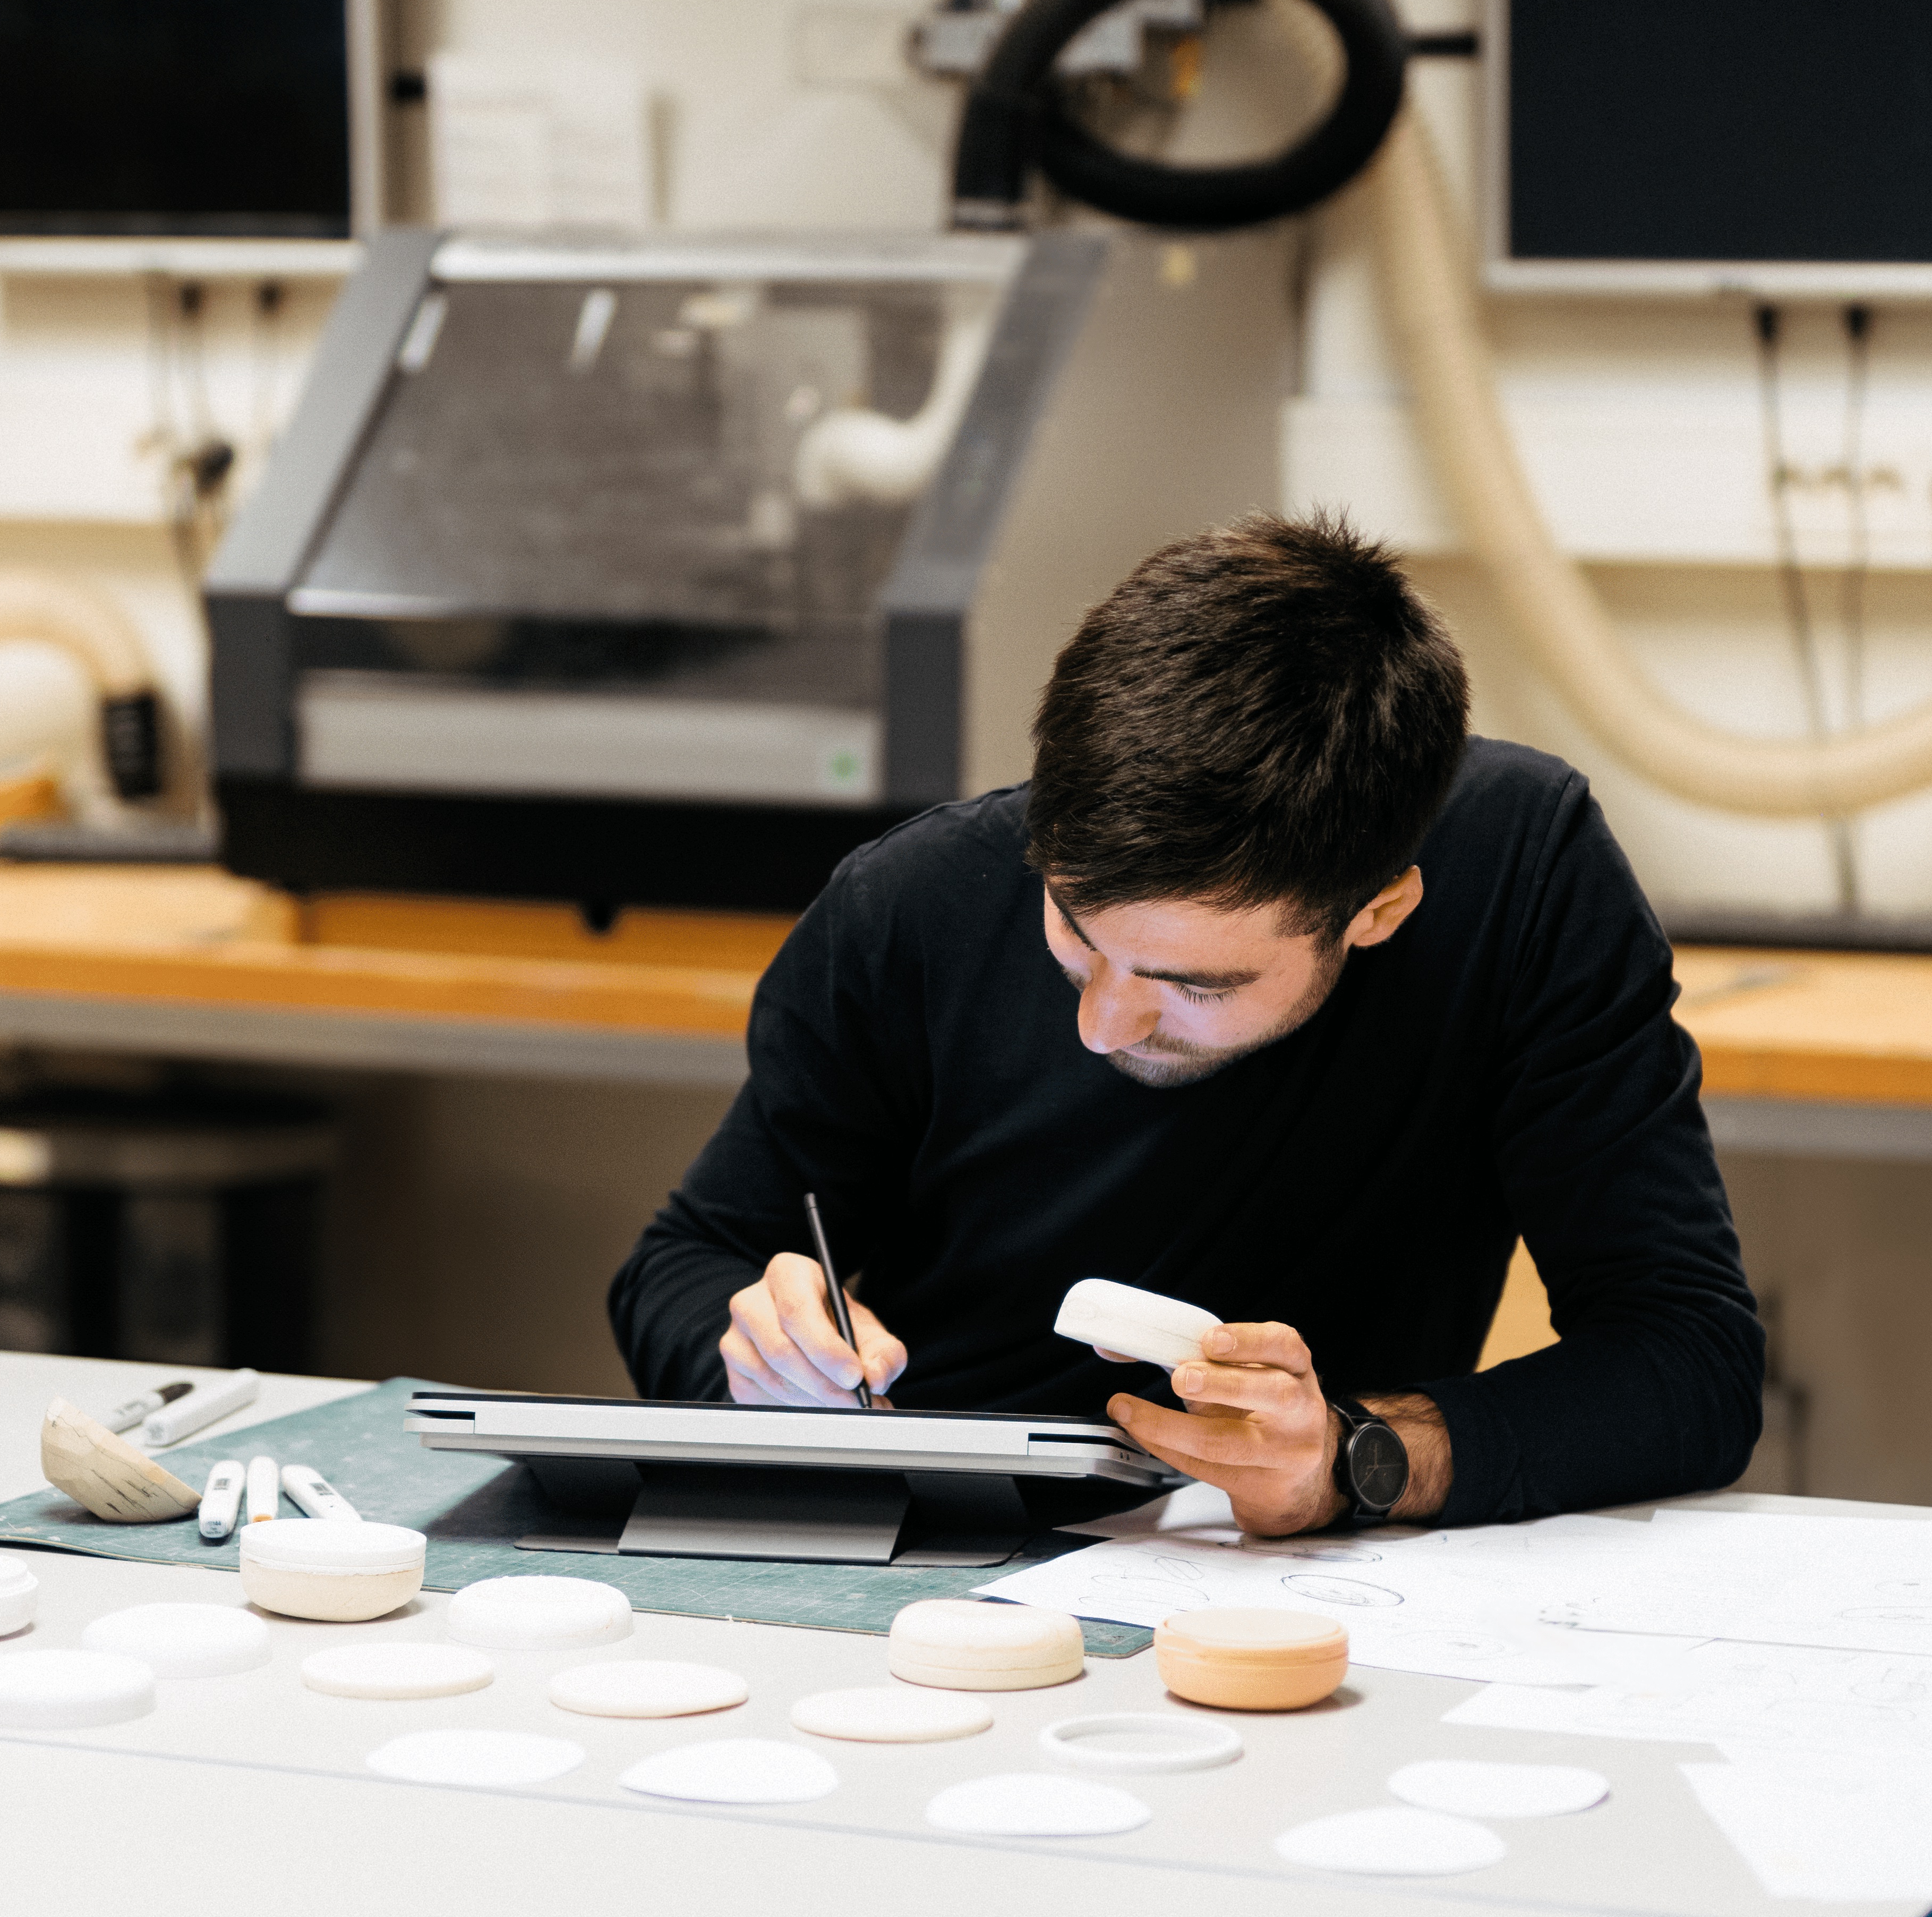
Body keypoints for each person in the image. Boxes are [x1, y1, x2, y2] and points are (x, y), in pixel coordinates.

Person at [609, 513, 1760, 1535]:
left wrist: (1357, 1457)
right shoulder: (911, 903)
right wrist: (761, 1351)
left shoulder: (1521, 875)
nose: (1105, 1023)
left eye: (1194, 984)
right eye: (1073, 931)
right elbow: (682, 1261)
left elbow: (1688, 1359)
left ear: (1378, 912)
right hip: (931, 1544)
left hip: (1295, 1587)